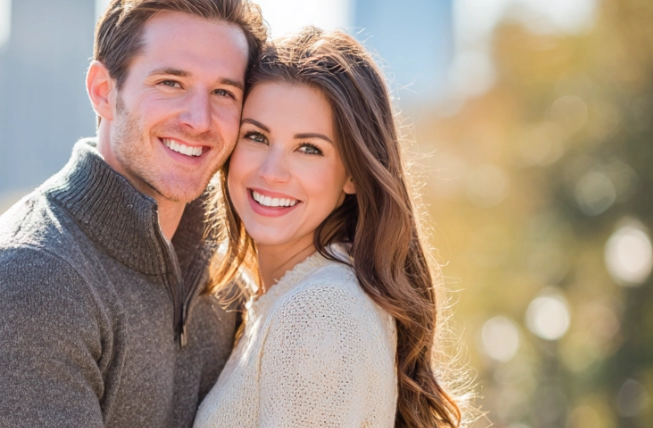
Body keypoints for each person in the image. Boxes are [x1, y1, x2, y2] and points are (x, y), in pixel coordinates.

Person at [0, 0, 267, 428]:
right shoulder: (28, 276)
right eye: (170, 83)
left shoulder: (224, 267)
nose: (199, 119)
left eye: (224, 92)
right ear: (103, 92)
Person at [192, 27, 464, 427]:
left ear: (352, 174)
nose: (272, 172)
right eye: (256, 136)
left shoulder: (319, 312)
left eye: (309, 149)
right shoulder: (289, 298)